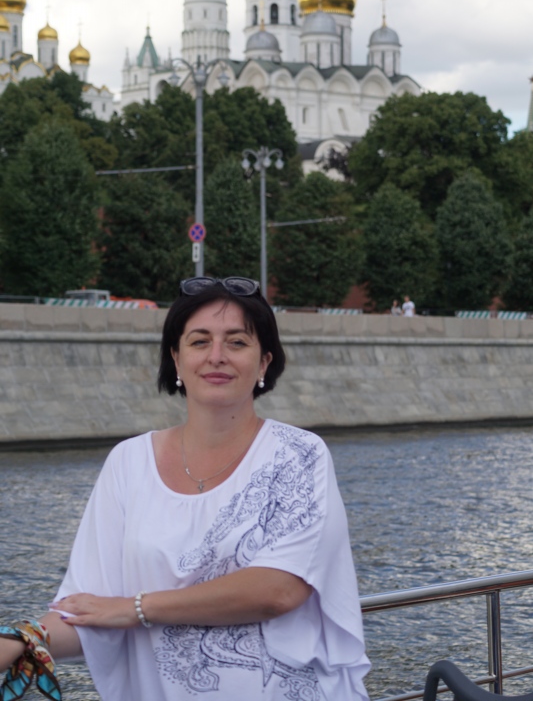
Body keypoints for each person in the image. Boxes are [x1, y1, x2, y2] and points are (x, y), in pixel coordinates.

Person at [0, 276, 370, 701]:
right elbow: (87, 610)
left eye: (237, 342)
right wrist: (23, 639)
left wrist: (134, 609)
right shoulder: (128, 462)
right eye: (199, 341)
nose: (217, 356)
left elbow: (279, 589)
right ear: (176, 358)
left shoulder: (298, 454)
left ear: (264, 363)